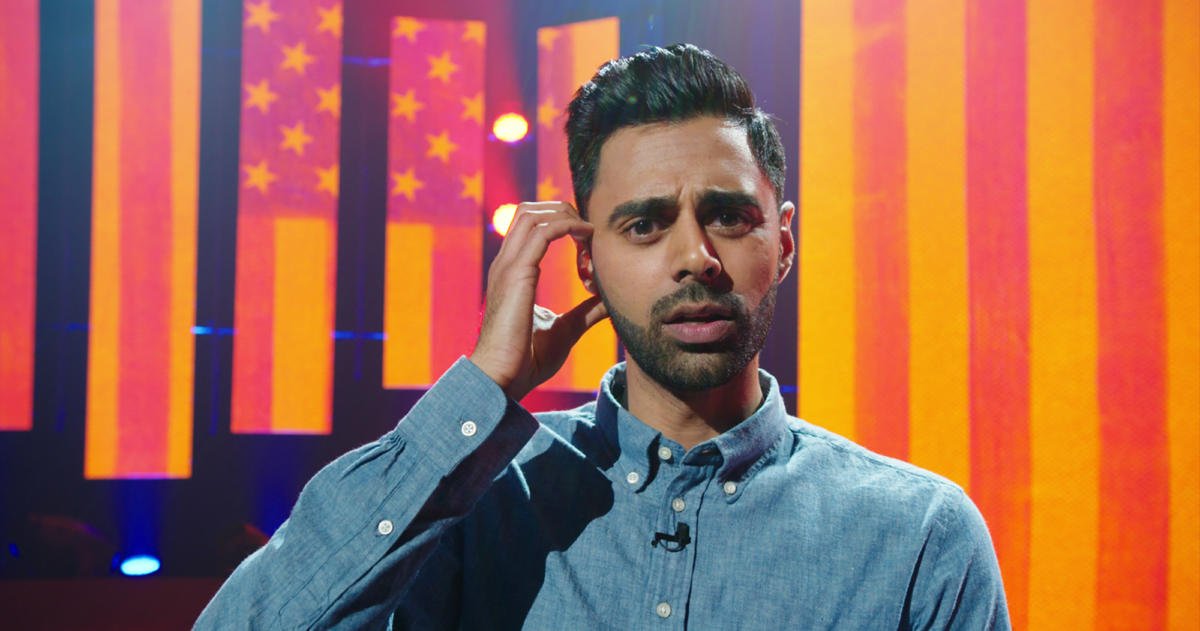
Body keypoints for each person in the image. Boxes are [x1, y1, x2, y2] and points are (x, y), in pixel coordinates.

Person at [197, 43, 1009, 629]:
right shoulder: (474, 504)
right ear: (584, 259)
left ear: (784, 241)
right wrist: (480, 388)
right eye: (646, 224)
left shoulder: (916, 536)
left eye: (729, 216)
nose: (696, 257)